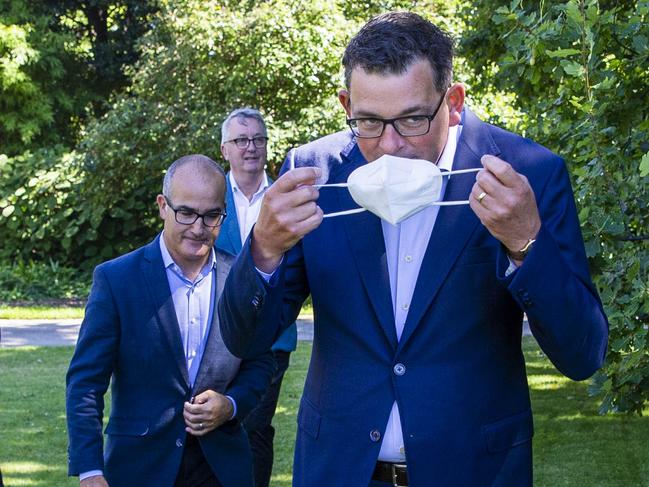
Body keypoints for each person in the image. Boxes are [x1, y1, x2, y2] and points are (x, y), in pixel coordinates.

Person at [218, 11, 609, 487]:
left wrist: (526, 244)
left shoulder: (528, 174)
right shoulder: (313, 172)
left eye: (412, 119)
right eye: (367, 121)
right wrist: (262, 250)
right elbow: (246, 340)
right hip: (339, 470)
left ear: (455, 101)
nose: (388, 145)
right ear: (346, 103)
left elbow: (583, 353)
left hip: (475, 471)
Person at [66, 155, 275, 487]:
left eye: (211, 216)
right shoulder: (116, 280)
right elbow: (85, 383)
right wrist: (90, 468)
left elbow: (262, 362)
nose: (198, 227)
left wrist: (230, 404)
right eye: (187, 213)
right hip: (138, 468)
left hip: (221, 469)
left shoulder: (242, 278)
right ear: (163, 206)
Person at [217, 107, 297, 487]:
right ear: (224, 149)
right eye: (241, 140)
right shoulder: (209, 196)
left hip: (272, 335)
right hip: (215, 335)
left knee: (255, 423)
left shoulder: (287, 196)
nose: (251, 147)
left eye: (258, 139)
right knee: (219, 423)